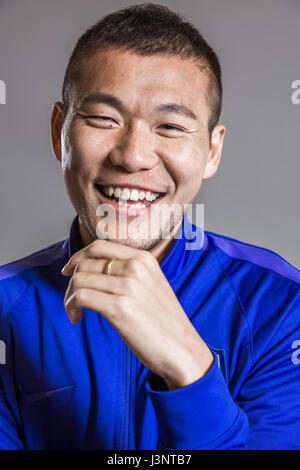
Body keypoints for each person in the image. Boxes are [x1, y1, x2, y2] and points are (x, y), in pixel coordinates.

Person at [0, 3, 299, 451]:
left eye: (171, 126)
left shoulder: (280, 308)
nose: (133, 156)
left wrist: (188, 366)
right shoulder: (4, 308)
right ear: (59, 131)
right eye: (104, 118)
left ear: (212, 152)